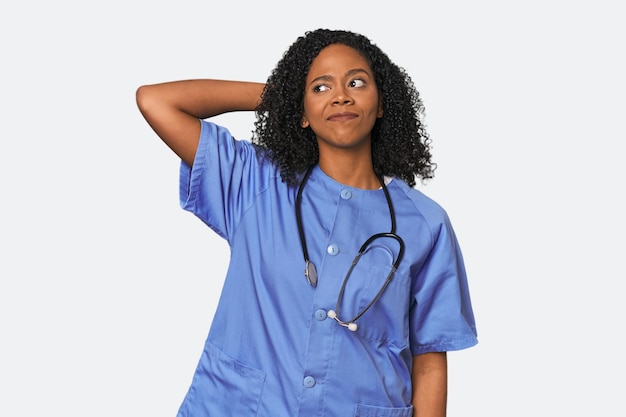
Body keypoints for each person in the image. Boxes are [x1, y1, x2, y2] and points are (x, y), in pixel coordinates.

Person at [136, 28, 477, 417]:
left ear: (382, 103)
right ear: (301, 110)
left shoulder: (425, 223)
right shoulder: (254, 182)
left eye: (357, 82)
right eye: (320, 88)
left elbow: (429, 357)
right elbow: (157, 101)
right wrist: (284, 96)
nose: (340, 95)